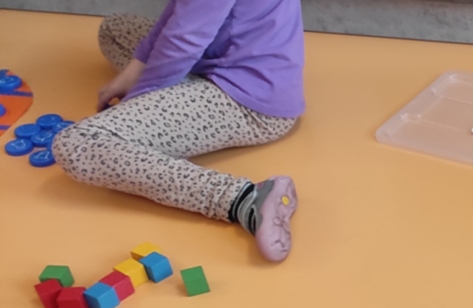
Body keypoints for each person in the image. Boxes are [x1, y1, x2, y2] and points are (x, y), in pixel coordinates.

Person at [52, 1, 306, 262]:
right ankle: (180, 82)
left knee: (77, 144)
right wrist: (135, 68)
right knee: (114, 29)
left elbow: (185, 39)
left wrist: (140, 100)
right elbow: (180, 14)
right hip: (225, 62)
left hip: (249, 102)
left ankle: (246, 199)